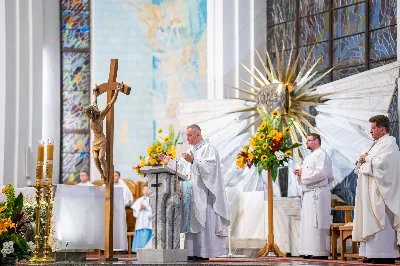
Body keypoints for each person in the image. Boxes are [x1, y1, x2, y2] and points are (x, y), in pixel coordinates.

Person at [159, 124, 230, 260]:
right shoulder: (189, 150)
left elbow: (211, 169)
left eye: (190, 135)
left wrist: (194, 161)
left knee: (203, 220)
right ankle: (191, 252)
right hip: (189, 191)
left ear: (198, 135)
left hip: (203, 192)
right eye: (186, 135)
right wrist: (169, 162)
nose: (187, 138)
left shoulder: (208, 149)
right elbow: (181, 168)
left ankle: (204, 253)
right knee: (190, 222)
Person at [352, 115, 400, 264]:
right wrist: (363, 160)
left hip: (381, 192)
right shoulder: (376, 145)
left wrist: (366, 159)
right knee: (370, 220)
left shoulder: (390, 143)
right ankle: (372, 253)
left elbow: (384, 165)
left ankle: (384, 254)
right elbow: (364, 166)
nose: (370, 131)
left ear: (382, 128)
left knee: (382, 220)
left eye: (373, 128)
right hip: (369, 192)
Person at [294, 133, 333, 259]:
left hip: (318, 193)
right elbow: (307, 175)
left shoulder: (322, 154)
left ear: (316, 141)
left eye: (309, 140)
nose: (307, 143)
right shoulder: (308, 157)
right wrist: (300, 174)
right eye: (307, 141)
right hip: (309, 194)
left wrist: (303, 173)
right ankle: (309, 250)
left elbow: (321, 173)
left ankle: (320, 252)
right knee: (308, 223)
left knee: (318, 222)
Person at [131, 185, 152, 253]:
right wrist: (139, 208)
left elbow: (153, 210)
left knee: (147, 234)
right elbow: (135, 212)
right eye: (144, 190)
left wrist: (146, 207)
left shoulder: (152, 200)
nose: (146, 191)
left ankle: (147, 250)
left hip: (148, 220)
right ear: (142, 191)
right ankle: (138, 250)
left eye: (147, 190)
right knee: (140, 234)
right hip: (140, 220)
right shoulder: (139, 200)